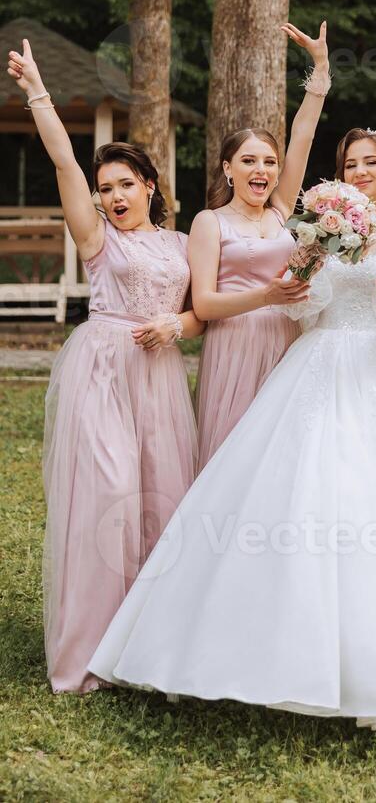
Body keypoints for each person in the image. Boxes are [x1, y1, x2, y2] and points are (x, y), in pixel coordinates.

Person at [88, 128, 376, 730]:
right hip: (313, 364)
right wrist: (306, 278)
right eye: (350, 163)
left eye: (371, 163)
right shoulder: (319, 229)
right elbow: (301, 307)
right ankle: (249, 648)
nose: (360, 171)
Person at [7, 39, 205, 694]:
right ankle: (92, 653)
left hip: (161, 380)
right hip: (102, 372)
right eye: (106, 189)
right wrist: (37, 90)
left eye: (126, 184)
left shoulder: (183, 243)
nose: (115, 196)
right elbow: (64, 161)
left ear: (150, 185)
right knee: (110, 499)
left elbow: (202, 312)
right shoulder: (99, 242)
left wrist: (176, 324)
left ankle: (149, 647)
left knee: (161, 504)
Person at [190, 22, 330, 467]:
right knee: (233, 458)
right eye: (249, 160)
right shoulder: (209, 223)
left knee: (281, 461)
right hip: (234, 348)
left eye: (269, 162)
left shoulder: (282, 210)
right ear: (228, 169)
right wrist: (265, 295)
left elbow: (303, 134)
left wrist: (321, 70)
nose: (262, 170)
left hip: (287, 341)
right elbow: (205, 305)